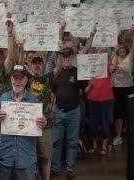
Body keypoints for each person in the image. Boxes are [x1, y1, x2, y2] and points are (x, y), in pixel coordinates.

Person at [0, 65, 48, 180]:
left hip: (26, 158)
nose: (17, 82)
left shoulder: (34, 101)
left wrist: (43, 123)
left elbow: (40, 127)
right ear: (11, 79)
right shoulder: (3, 98)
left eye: (20, 78)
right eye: (15, 78)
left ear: (26, 80)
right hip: (5, 156)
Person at [50, 47, 87, 179]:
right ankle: (55, 168)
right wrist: (53, 108)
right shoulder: (57, 73)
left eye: (68, 57)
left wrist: (92, 84)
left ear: (73, 58)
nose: (66, 59)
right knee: (56, 141)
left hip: (74, 111)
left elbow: (85, 91)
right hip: (59, 111)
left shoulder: (79, 72)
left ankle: (70, 170)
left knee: (72, 141)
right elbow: (52, 91)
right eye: (64, 57)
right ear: (61, 59)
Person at [26, 55, 62, 180]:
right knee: (31, 156)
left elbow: (58, 68)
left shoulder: (48, 78)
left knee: (46, 156)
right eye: (34, 63)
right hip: (29, 123)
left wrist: (60, 52)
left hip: (45, 124)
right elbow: (17, 61)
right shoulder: (27, 78)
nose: (37, 65)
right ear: (30, 65)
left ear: (43, 64)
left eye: (39, 63)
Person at [111, 43, 134, 146]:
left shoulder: (129, 58)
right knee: (118, 113)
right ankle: (118, 136)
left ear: (126, 50)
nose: (121, 50)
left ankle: (130, 135)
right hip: (116, 88)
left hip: (129, 88)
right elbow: (111, 69)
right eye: (119, 49)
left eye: (123, 48)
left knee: (130, 112)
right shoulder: (114, 58)